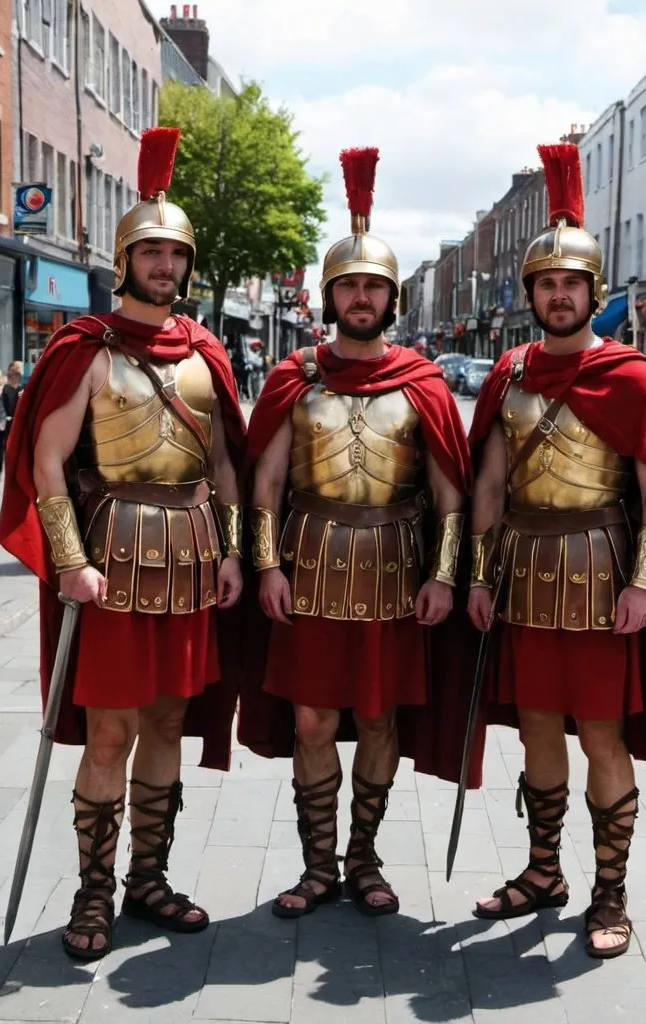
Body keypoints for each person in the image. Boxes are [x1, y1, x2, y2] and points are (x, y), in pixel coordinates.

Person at [0, 128, 247, 962]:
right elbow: (46, 460)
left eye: (176, 254)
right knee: (110, 733)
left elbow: (224, 463)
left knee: (169, 722)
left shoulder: (207, 354)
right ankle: (93, 893)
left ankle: (149, 879)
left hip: (189, 559)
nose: (165, 266)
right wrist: (69, 558)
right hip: (113, 560)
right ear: (125, 259)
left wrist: (235, 551)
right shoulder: (87, 349)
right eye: (151, 252)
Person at [466, 143, 646, 959]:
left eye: (571, 285)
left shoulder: (634, 380)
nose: (558, 296)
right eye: (546, 284)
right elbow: (489, 485)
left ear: (593, 294)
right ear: (531, 294)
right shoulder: (510, 374)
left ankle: (610, 893)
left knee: (602, 736)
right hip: (525, 574)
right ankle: (542, 872)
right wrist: (480, 576)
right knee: (534, 730)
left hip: (601, 575)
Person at [239, 147, 472, 919]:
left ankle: (364, 859)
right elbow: (265, 481)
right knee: (312, 717)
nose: (362, 296)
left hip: (395, 573)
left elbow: (450, 493)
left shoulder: (422, 380)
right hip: (307, 569)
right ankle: (316, 868)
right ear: (329, 294)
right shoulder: (293, 378)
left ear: (391, 296)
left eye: (374, 285)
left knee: (379, 717)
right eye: (349, 285)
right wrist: (266, 566)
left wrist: (442, 575)